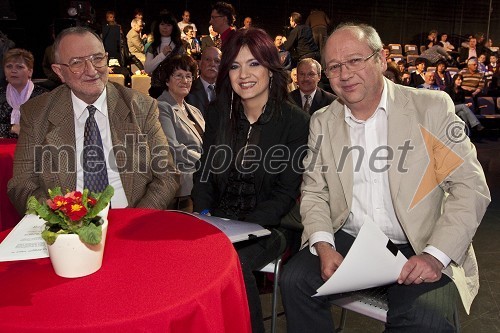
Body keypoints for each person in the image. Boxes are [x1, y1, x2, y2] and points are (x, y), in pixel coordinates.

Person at [280, 22, 490, 333]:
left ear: (381, 59)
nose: (344, 74)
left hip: (420, 242)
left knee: (423, 319)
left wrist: (434, 256)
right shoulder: (323, 121)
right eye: (334, 66)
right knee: (294, 280)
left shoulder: (430, 108)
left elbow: (469, 187)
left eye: (355, 60)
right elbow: (314, 191)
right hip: (350, 238)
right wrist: (323, 245)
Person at [191, 28, 310, 333]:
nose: (243, 74)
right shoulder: (219, 112)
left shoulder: (294, 121)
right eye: (234, 66)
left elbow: (284, 194)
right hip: (217, 219)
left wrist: (243, 229)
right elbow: (204, 172)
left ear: (271, 68)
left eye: (253, 64)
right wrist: (205, 215)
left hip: (270, 226)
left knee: (232, 261)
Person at [7, 27, 179, 215]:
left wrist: (136, 221)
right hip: (67, 228)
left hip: (131, 221)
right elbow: (22, 185)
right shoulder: (36, 113)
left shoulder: (142, 107)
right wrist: (64, 221)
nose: (91, 71)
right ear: (59, 72)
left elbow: (167, 175)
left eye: (97, 58)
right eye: (76, 63)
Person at [157, 54, 204, 212]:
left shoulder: (195, 111)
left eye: (189, 76)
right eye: (178, 75)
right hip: (181, 189)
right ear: (166, 80)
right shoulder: (161, 106)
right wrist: (205, 162)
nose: (185, 80)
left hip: (203, 182)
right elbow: (171, 148)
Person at [0, 48, 47, 138]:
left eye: (19, 67)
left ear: (30, 71)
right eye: (9, 66)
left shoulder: (44, 96)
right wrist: (13, 128)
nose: (13, 70)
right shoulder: (1, 94)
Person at [145, 12, 185, 99]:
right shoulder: (152, 46)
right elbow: (147, 69)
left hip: (174, 90)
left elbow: (183, 68)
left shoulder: (179, 47)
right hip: (156, 90)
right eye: (162, 24)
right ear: (158, 26)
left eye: (168, 25)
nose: (165, 27)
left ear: (173, 27)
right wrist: (162, 55)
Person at [186, 46, 221, 117]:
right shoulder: (188, 90)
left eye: (217, 61)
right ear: (200, 64)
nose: (212, 64)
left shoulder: (227, 91)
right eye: (208, 59)